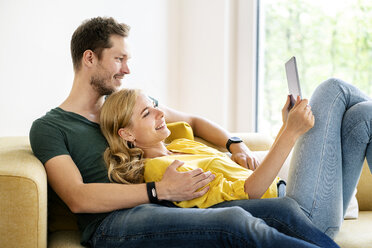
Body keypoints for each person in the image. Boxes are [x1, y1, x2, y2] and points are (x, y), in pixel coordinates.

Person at [29, 16, 341, 247]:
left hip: (164, 204)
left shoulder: (125, 107)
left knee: (283, 210)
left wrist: (234, 143)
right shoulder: (51, 127)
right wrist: (158, 190)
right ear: (89, 58)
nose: (127, 69)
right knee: (233, 222)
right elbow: (77, 197)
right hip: (115, 221)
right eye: (119, 59)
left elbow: (191, 120)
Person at [99, 89, 284, 209]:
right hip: (273, 202)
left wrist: (286, 125)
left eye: (154, 106)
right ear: (127, 134)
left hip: (280, 188)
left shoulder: (181, 145)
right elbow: (248, 194)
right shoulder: (163, 169)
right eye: (147, 113)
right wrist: (289, 132)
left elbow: (194, 122)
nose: (161, 113)